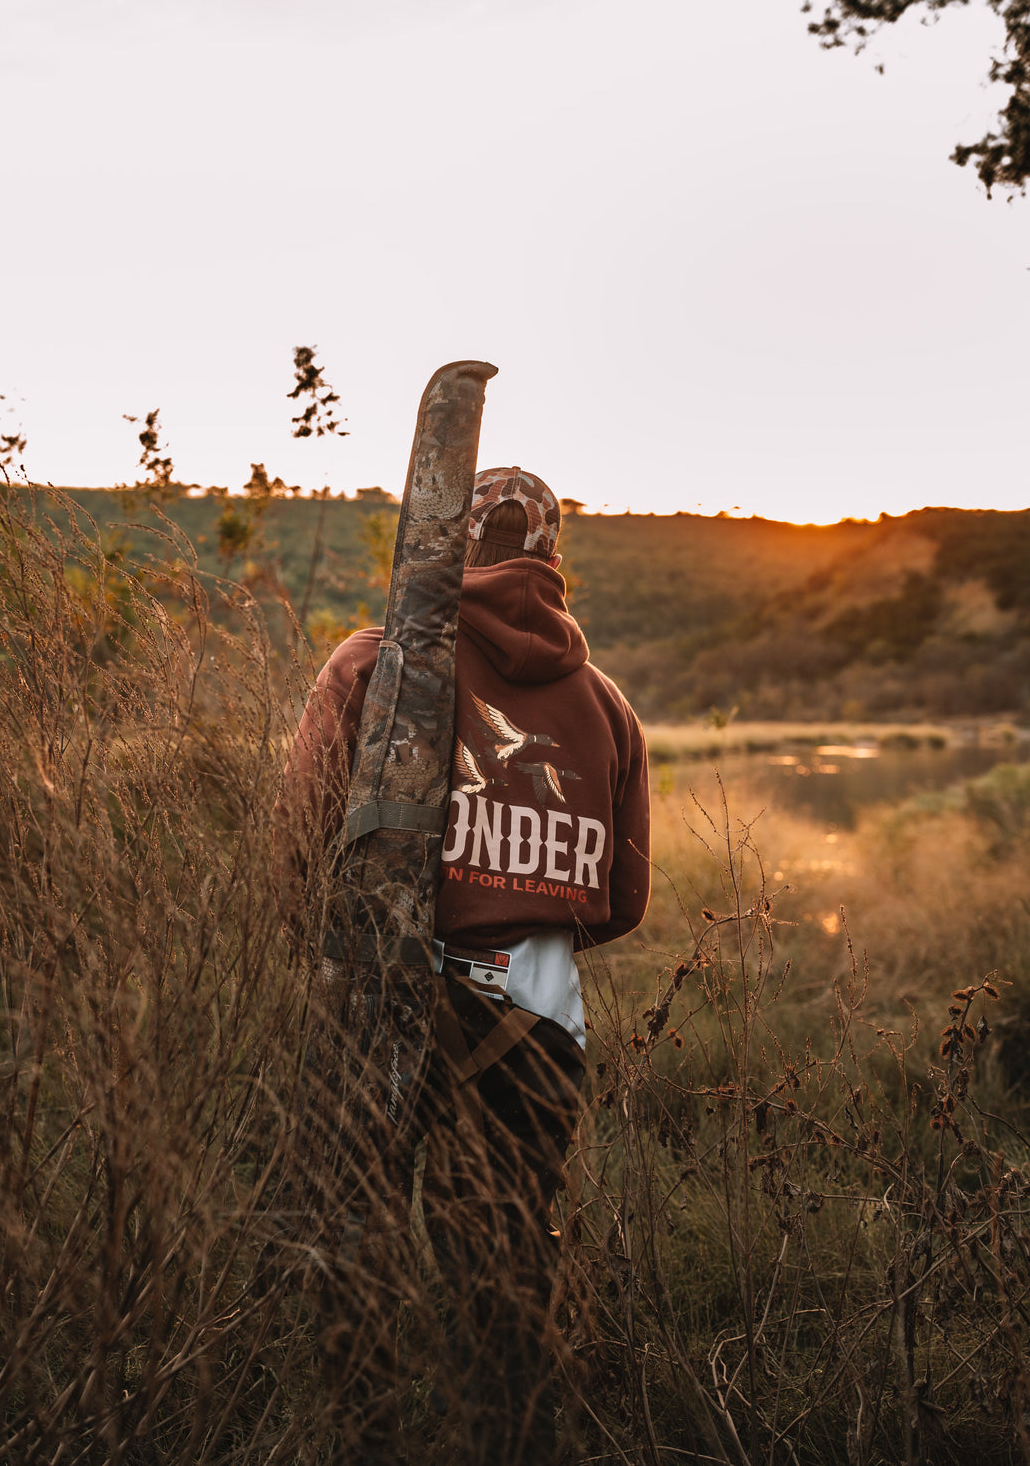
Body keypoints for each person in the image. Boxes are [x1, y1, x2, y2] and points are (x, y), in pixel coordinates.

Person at [277, 466, 650, 1464]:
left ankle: (365, 1443)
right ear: (553, 556)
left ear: (447, 538)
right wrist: (519, 918)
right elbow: (621, 902)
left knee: (353, 1260)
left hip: (382, 1010)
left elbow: (295, 851)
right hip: (539, 1020)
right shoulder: (608, 707)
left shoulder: (374, 663)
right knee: (511, 1284)